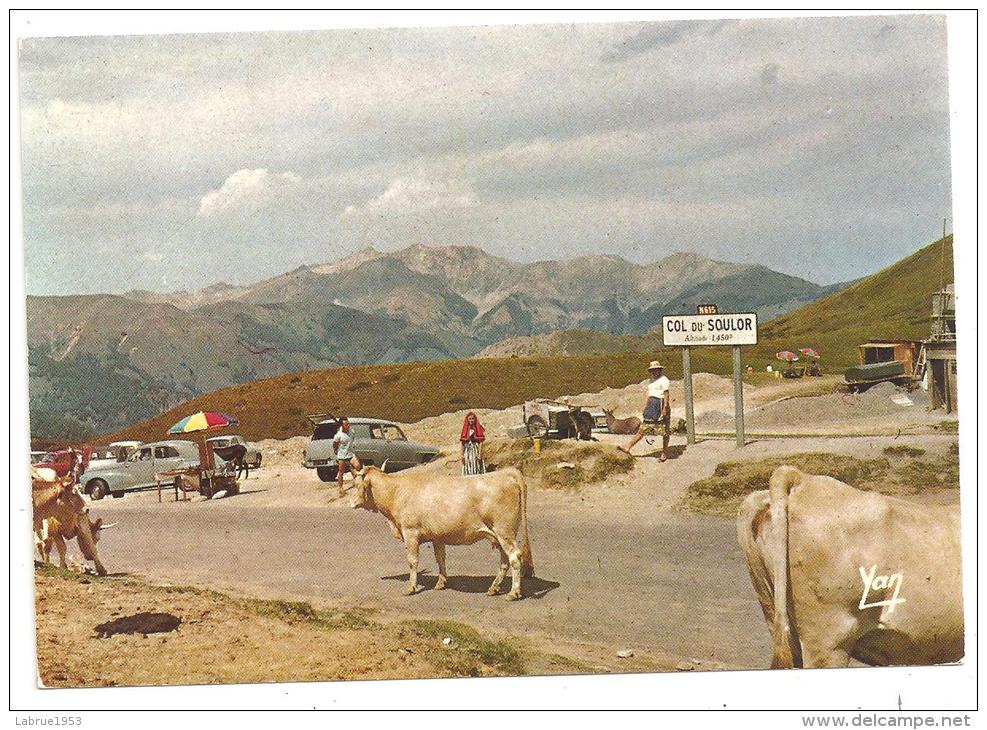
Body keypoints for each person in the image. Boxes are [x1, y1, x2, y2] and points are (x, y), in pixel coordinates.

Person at [619, 360, 671, 461]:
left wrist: (665, 408)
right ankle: (628, 447)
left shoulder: (664, 379)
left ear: (659, 370)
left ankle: (664, 453)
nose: (654, 372)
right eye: (652, 370)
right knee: (644, 428)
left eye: (656, 370)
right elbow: (650, 395)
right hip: (651, 404)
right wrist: (646, 407)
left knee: (664, 431)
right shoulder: (651, 380)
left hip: (660, 404)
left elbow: (666, 395)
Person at [332, 417, 363, 498]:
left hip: (350, 454)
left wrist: (352, 448)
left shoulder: (352, 431)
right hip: (342, 456)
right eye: (346, 424)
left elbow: (352, 440)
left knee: (358, 466)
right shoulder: (338, 435)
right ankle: (341, 488)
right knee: (341, 471)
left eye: (348, 423)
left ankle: (356, 482)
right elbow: (334, 444)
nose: (348, 425)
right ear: (342, 426)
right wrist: (336, 450)